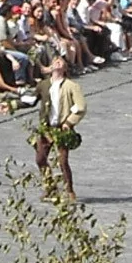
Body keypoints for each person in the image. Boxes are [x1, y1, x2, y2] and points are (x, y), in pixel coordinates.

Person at [33, 54, 86, 199]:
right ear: (50, 67)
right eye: (55, 61)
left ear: (65, 67)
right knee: (40, 159)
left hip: (62, 128)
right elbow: (31, 100)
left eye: (61, 61)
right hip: (46, 128)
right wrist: (11, 104)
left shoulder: (71, 86)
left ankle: (69, 190)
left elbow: (80, 106)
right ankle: (50, 187)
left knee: (62, 161)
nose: (57, 62)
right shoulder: (43, 85)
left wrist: (69, 122)